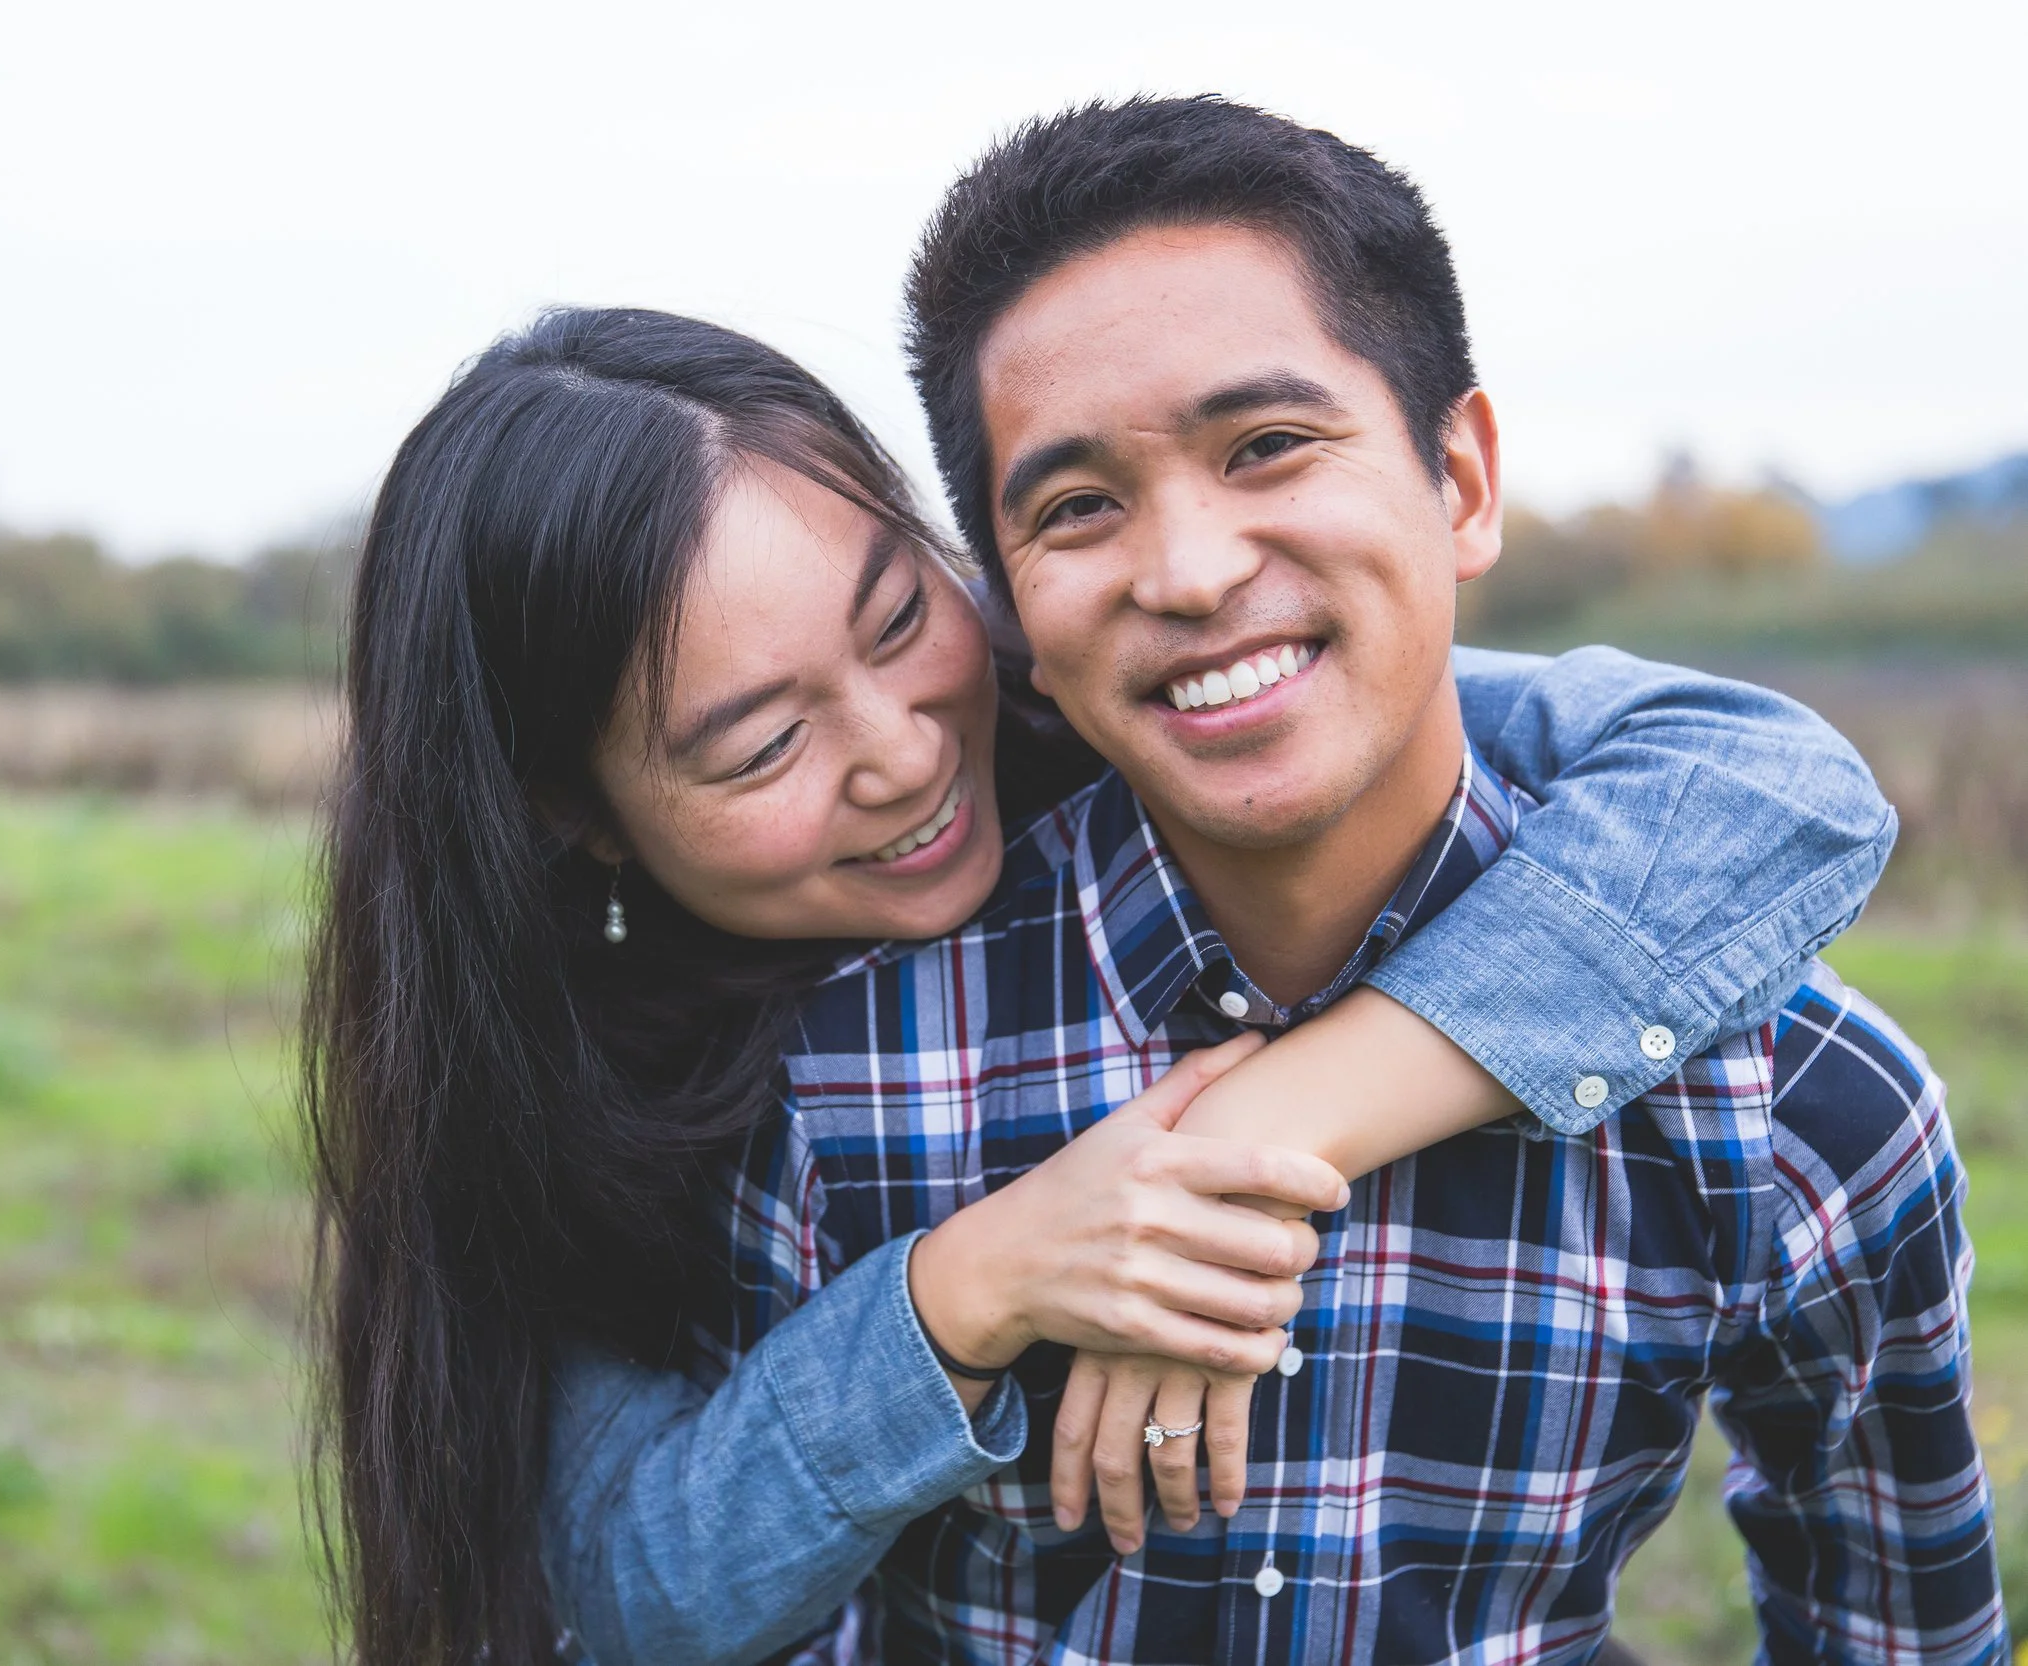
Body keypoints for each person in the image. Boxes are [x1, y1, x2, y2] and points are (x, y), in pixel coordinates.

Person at [301, 302, 1901, 1665]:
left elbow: (1769, 788)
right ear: (568, 814)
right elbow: (637, 1582)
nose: (906, 749)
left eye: (897, 615)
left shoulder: (1115, 691)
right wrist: (969, 1287)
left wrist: (1256, 1136)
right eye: (767, 742)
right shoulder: (573, 1073)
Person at [625, 96, 1999, 1662]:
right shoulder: (842, 1074)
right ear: (1012, 608)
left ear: (1463, 478)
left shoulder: (1800, 1112)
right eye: (1078, 507)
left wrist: (1254, 1138)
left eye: (1268, 445)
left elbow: (1902, 1629)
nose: (1193, 571)